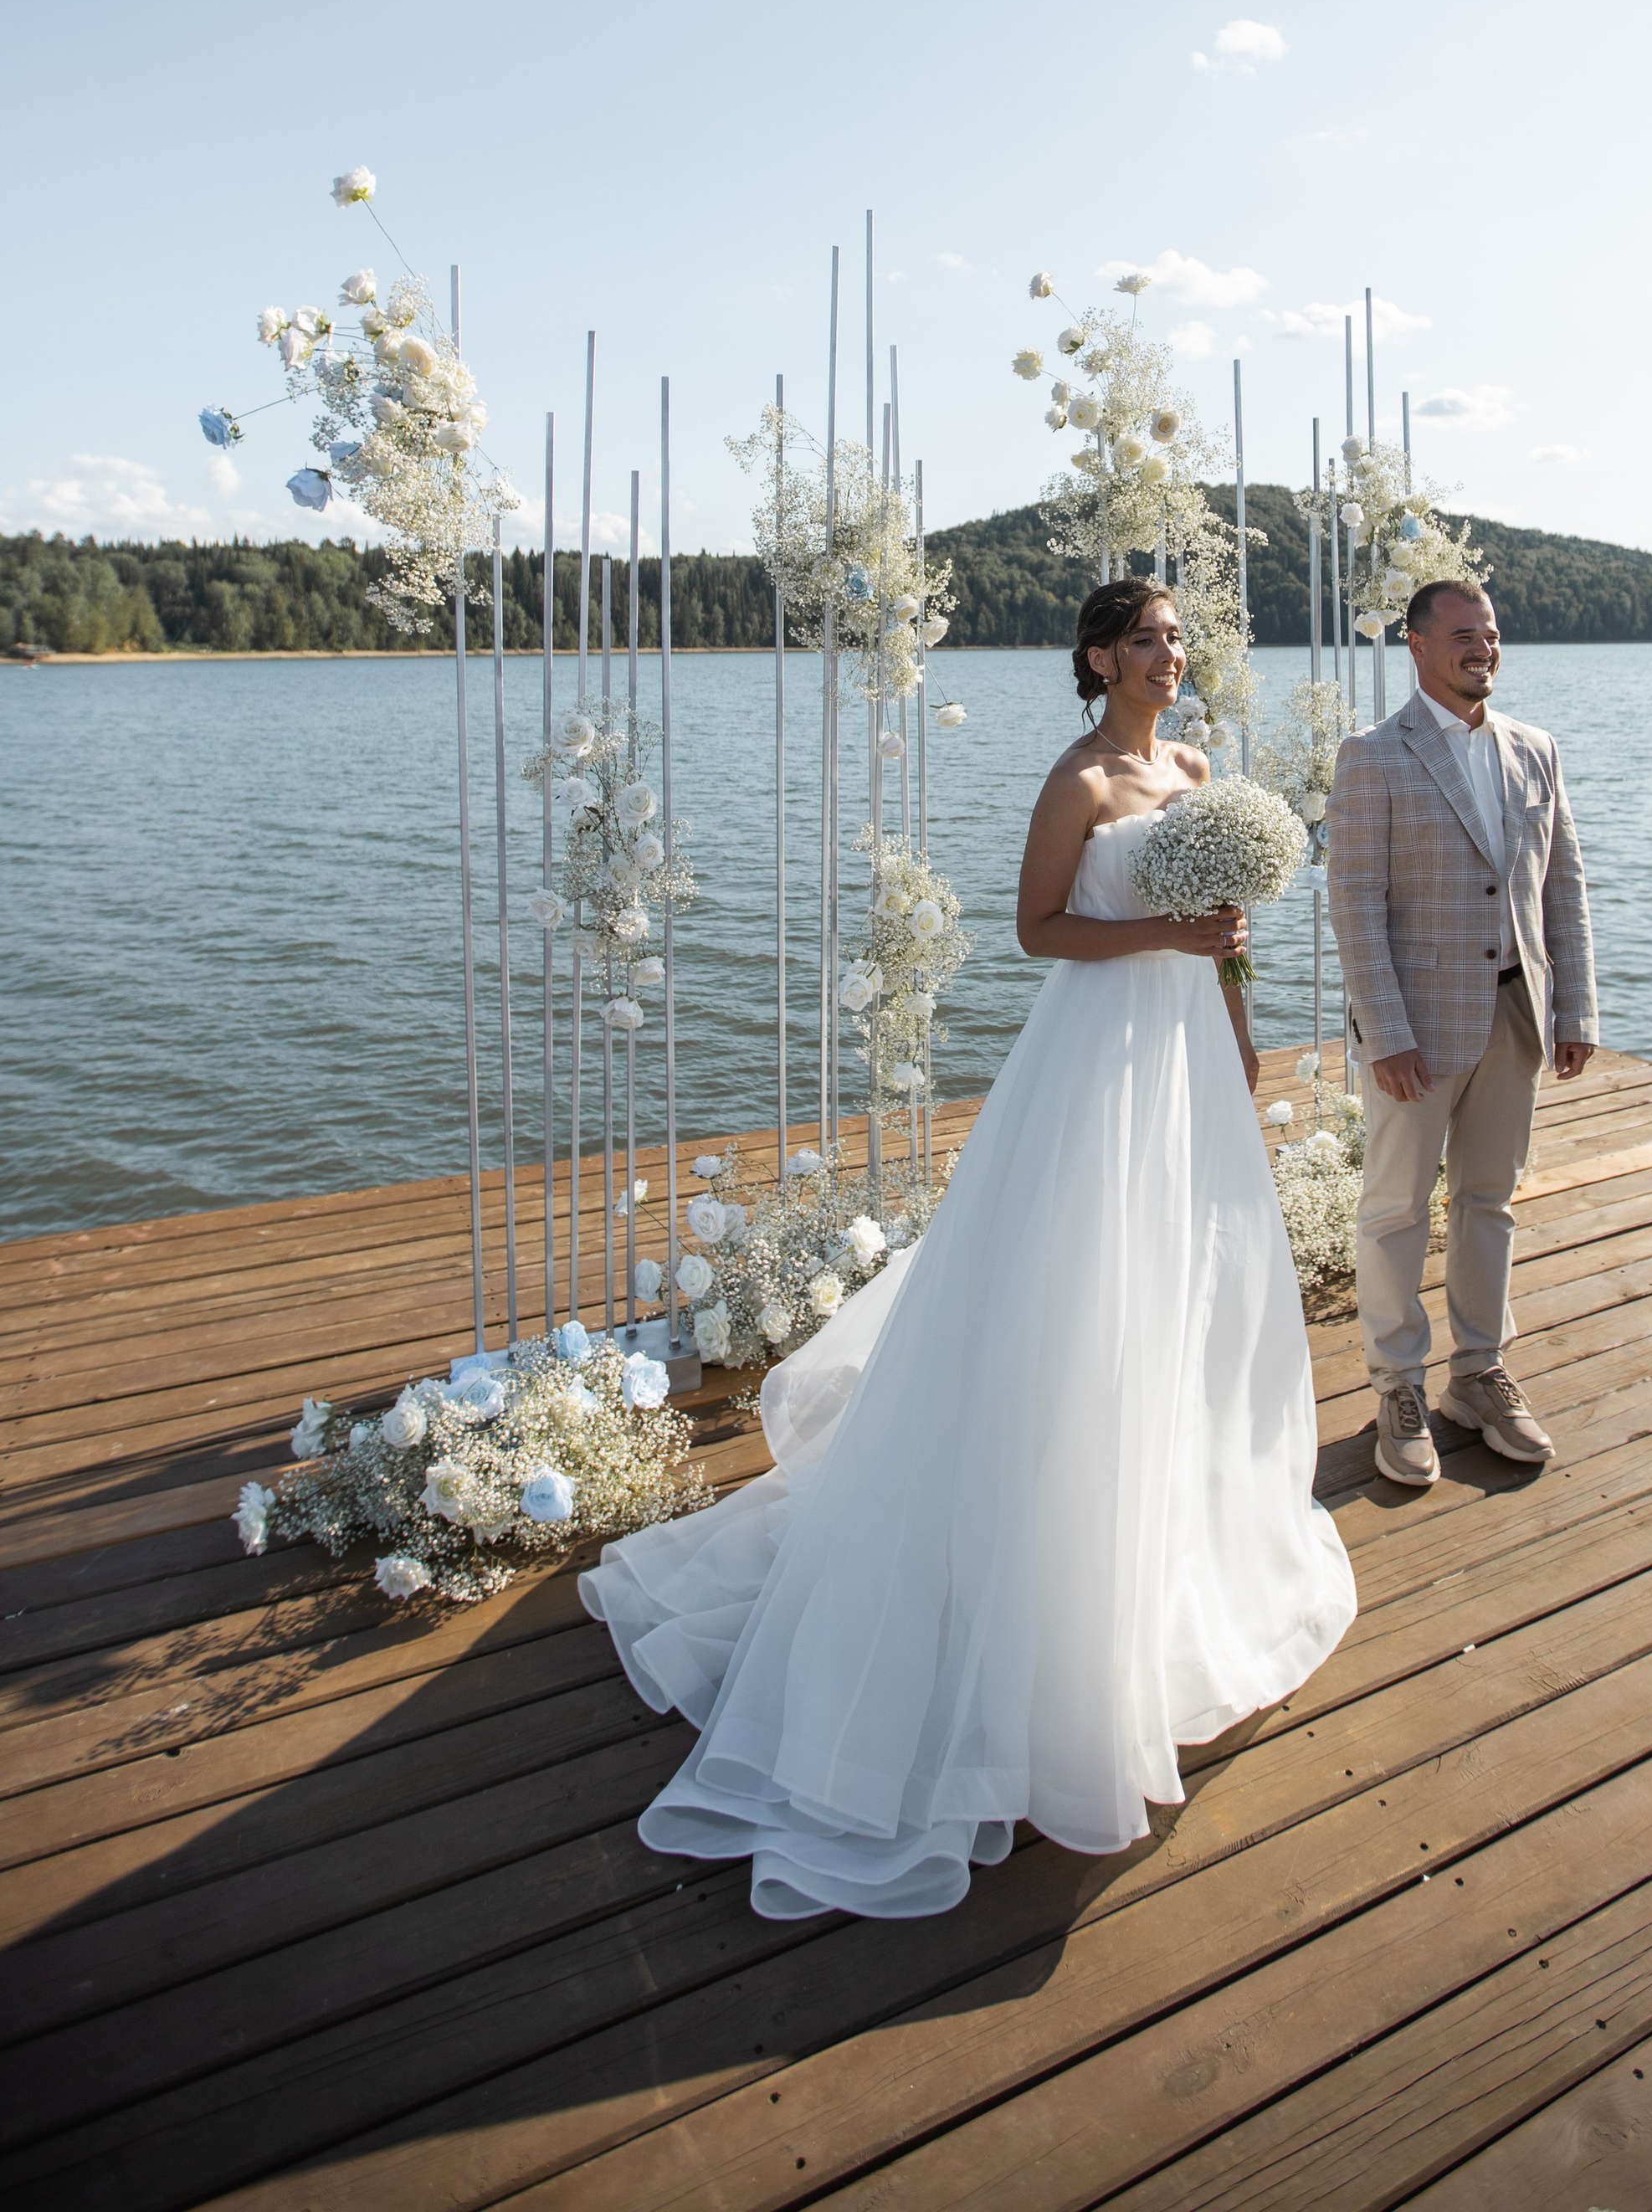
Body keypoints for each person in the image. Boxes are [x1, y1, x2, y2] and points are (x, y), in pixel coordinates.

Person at [581, 577, 1356, 1920]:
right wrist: (1167, 931)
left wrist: (1235, 1025)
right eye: (1148, 639)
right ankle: (1043, 1581)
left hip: (1185, 1057)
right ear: (1101, 657)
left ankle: (1168, 1544)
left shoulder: (1202, 768)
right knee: (1075, 1299)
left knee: (1187, 1296)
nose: (1171, 655)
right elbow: (1037, 929)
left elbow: (1226, 943)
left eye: (1179, 638)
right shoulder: (1078, 780)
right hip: (1096, 1063)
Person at [1324, 578, 1598, 1488]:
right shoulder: (1371, 756)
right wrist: (1385, 1032)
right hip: (1417, 1031)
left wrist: (1575, 1010)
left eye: (1490, 633)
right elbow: (1355, 904)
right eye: (1462, 635)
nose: (1481, 647)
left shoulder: (1536, 749)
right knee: (1396, 1208)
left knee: (1490, 1202)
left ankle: (1478, 1375)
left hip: (1516, 1019)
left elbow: (1561, 887)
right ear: (1415, 644)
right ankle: (1396, 1384)